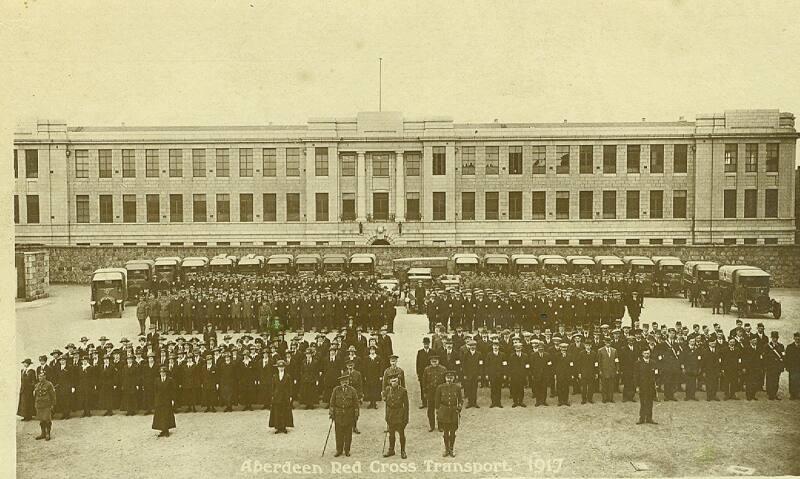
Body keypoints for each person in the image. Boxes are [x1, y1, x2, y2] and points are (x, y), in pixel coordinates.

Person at [329, 373, 360, 457]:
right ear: (340, 382)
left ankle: (347, 450)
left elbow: (356, 403)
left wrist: (356, 414)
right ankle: (339, 450)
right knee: (338, 433)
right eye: (343, 381)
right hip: (338, 415)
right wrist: (331, 413)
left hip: (349, 415)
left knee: (348, 434)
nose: (344, 383)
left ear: (348, 381)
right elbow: (332, 402)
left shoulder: (352, 390)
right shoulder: (336, 390)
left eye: (346, 381)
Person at [435, 369, 462, 457]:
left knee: (453, 432)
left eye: (451, 378)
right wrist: (438, 411)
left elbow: (460, 400)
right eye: (447, 378)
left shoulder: (457, 387)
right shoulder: (440, 387)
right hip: (444, 411)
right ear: (445, 378)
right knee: (446, 432)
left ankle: (451, 449)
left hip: (453, 411)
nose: (449, 379)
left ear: (453, 378)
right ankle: (446, 449)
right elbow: (437, 401)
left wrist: (459, 408)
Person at [383, 373, 409, 459]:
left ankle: (403, 451)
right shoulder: (387, 390)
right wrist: (386, 416)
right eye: (392, 381)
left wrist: (406, 418)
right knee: (391, 434)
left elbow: (406, 405)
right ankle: (391, 450)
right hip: (391, 414)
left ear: (398, 381)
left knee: (401, 434)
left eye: (395, 381)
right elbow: (387, 404)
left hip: (399, 415)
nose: (394, 382)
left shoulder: (403, 391)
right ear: (389, 382)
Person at [269, 360, 293, 433]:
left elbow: (290, 387)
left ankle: (284, 427)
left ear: (284, 367)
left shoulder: (287, 376)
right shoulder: (275, 376)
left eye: (282, 367)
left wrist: (290, 396)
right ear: (277, 368)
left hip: (285, 396)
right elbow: (273, 387)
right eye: (279, 367)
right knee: (277, 411)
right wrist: (272, 395)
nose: (281, 368)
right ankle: (278, 427)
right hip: (277, 396)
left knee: (284, 411)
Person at [152, 366, 176, 437]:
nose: (162, 374)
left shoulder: (170, 380)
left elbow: (173, 390)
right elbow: (155, 391)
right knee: (160, 415)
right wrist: (156, 399)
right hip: (159, 400)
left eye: (163, 372)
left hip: (167, 400)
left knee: (167, 414)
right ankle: (162, 429)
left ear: (166, 373)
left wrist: (173, 399)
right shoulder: (156, 380)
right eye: (161, 372)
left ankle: (167, 430)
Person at [635, 349, 657, 425]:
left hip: (650, 386)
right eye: (645, 353)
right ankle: (641, 418)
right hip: (642, 385)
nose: (647, 355)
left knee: (650, 402)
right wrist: (637, 386)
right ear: (642, 354)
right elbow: (636, 376)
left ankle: (649, 418)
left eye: (648, 353)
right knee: (643, 402)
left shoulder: (653, 362)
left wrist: (656, 384)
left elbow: (656, 374)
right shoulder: (638, 363)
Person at [34, 370, 56, 441]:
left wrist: (52, 404)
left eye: (42, 376)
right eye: (39, 376)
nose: (40, 377)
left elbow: (53, 395)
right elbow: (35, 395)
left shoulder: (49, 384)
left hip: (46, 405)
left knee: (47, 420)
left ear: (45, 376)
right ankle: (42, 433)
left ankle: (48, 434)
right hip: (39, 405)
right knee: (41, 420)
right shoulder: (37, 385)